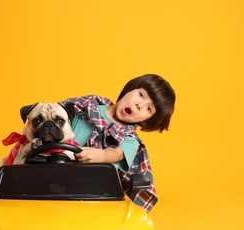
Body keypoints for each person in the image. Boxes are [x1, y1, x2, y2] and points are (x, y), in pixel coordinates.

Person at [62, 74, 176, 212]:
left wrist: (102, 156)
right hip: (56, 179)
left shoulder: (130, 140)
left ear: (147, 120)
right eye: (141, 95)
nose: (139, 105)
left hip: (94, 194)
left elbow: (117, 153)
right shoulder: (85, 107)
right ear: (129, 89)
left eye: (149, 109)